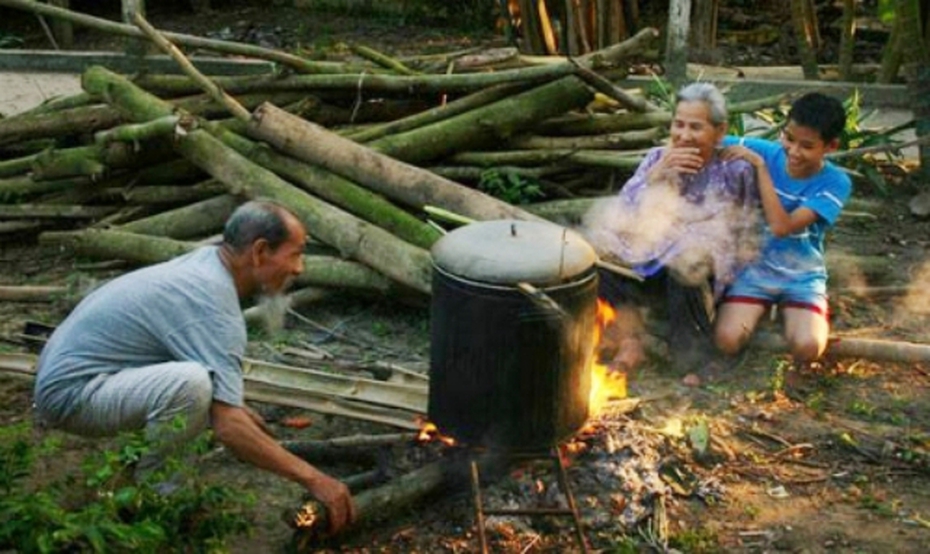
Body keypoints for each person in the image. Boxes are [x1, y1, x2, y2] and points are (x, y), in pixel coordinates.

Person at [33, 199, 356, 534]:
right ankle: (159, 507)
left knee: (201, 389)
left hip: (72, 377)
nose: (299, 268)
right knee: (191, 387)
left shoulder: (207, 263)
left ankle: (125, 484)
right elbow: (227, 427)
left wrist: (234, 406)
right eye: (295, 253)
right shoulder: (213, 305)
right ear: (260, 252)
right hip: (71, 395)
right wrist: (315, 479)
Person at [584, 82, 759, 378]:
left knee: (688, 261)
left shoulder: (735, 169)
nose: (684, 135)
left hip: (694, 277)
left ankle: (693, 361)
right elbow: (622, 214)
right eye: (678, 125)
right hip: (645, 267)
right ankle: (629, 342)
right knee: (591, 259)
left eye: (696, 127)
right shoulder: (656, 158)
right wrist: (656, 177)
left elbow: (739, 230)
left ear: (719, 131)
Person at [714, 92, 852, 365]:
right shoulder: (766, 150)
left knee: (808, 348)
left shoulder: (836, 183)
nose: (793, 151)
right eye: (788, 138)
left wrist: (761, 169)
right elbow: (709, 140)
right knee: (726, 341)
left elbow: (781, 226)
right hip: (754, 269)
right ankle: (763, 309)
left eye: (807, 145)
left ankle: (800, 309)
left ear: (831, 146)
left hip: (801, 276)